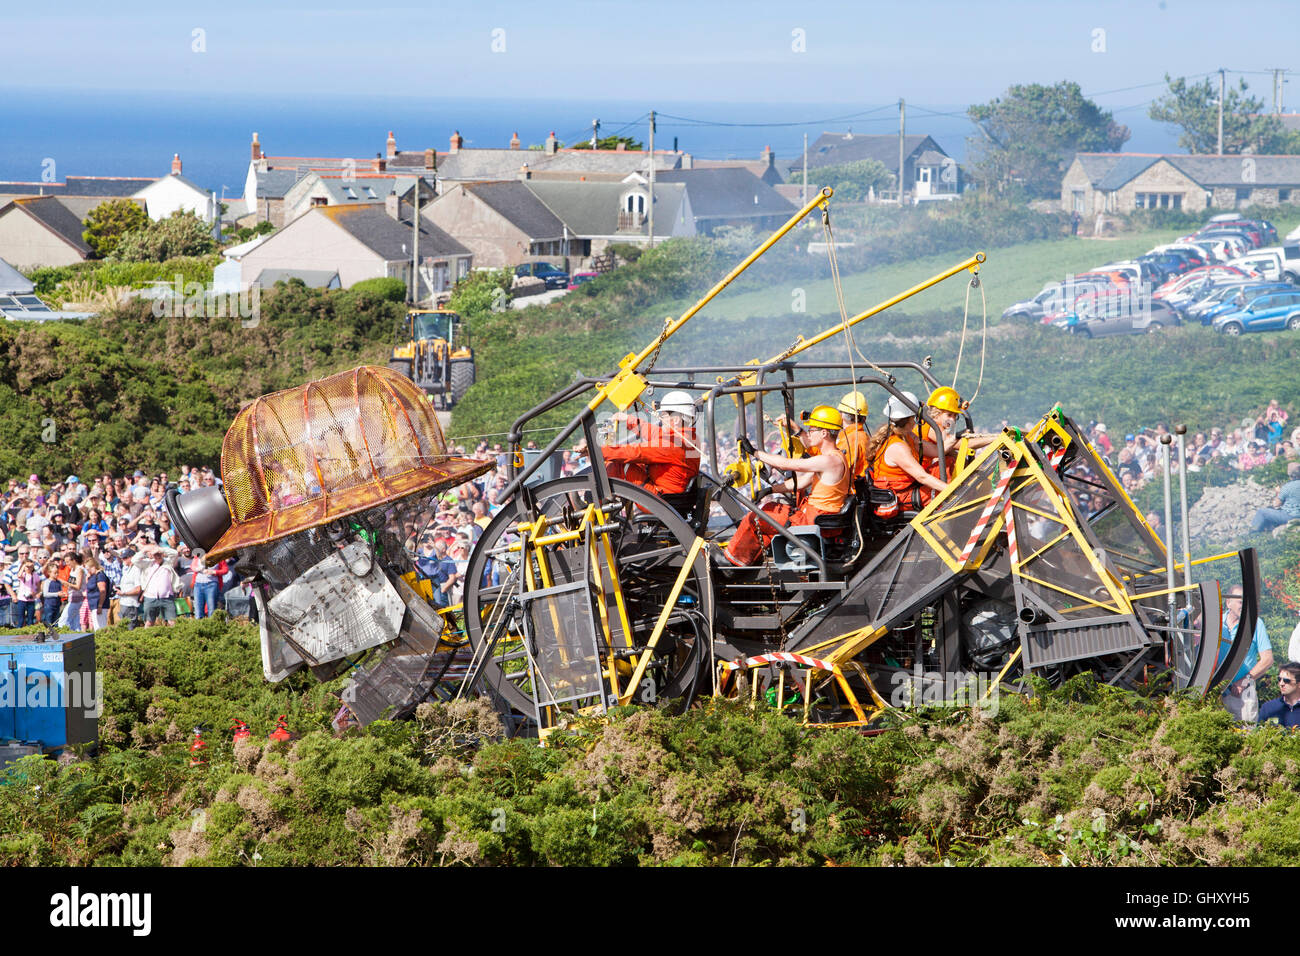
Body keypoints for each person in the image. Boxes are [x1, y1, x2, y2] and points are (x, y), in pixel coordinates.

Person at [721, 405, 851, 566]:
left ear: (824, 433)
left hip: (812, 521)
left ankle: (730, 563)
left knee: (754, 517)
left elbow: (785, 464)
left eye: (812, 429)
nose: (809, 432)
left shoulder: (828, 460)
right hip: (814, 517)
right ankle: (749, 560)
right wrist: (771, 489)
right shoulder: (836, 457)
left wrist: (755, 452)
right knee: (769, 509)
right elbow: (802, 482)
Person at [579, 390, 701, 497]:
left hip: (660, 499)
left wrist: (595, 450)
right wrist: (627, 419)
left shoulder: (672, 443)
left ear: (676, 419)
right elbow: (654, 433)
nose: (660, 419)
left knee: (619, 464)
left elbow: (635, 452)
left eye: (663, 415)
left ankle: (595, 501)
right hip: (671, 497)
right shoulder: (688, 438)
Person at [872, 392, 949, 511]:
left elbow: (936, 451)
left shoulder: (907, 436)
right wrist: (951, 490)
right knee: (941, 496)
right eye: (914, 417)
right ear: (908, 420)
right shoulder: (897, 447)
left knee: (948, 462)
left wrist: (953, 438)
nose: (915, 421)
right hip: (900, 497)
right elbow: (922, 477)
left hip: (910, 488)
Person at [1218, 585, 1272, 722]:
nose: (1244, 605)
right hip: (1216, 694)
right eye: (1240, 601)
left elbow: (1267, 660)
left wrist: (1245, 681)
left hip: (1243, 694)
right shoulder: (1216, 623)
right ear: (1228, 603)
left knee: (1246, 738)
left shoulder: (1255, 623)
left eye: (1246, 601)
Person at [919, 386, 998, 479]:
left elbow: (952, 452)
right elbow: (961, 445)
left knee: (953, 460)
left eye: (955, 416)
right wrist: (994, 439)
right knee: (949, 463)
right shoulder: (931, 428)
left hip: (925, 472)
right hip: (920, 476)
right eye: (949, 415)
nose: (952, 419)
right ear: (936, 413)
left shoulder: (939, 428)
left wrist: (974, 468)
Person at [1249, 462, 1300, 534]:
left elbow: (1276, 504)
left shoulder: (1288, 487)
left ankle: (1252, 535)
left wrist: (1278, 493)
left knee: (1262, 512)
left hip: (1290, 517)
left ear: (1290, 474)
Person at [1258, 660, 1300, 728]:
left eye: (1286, 680)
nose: (1281, 684)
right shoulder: (1268, 708)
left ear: (1299, 684)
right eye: (1279, 679)